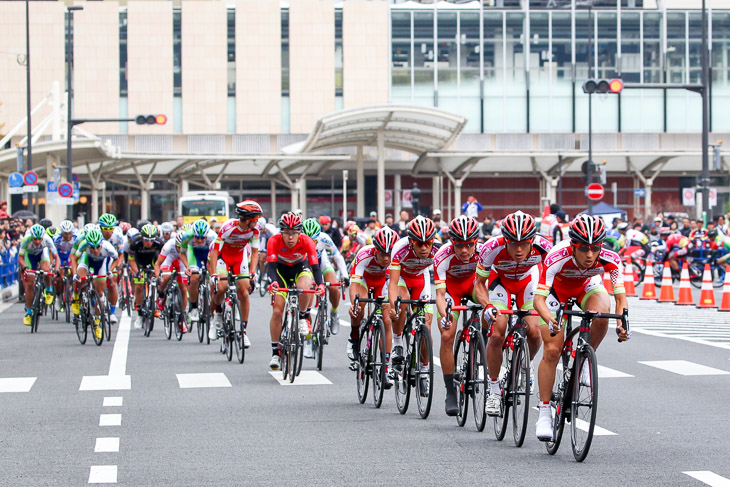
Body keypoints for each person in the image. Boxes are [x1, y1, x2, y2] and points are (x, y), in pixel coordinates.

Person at [533, 214, 630, 441]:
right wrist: (549, 318)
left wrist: (622, 323)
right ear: (573, 246)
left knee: (601, 311)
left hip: (587, 287)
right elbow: (538, 300)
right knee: (552, 351)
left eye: (594, 249)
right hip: (556, 292)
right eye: (583, 249)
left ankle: (587, 356)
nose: (589, 255)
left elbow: (620, 298)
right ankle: (545, 412)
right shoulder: (557, 256)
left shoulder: (611, 258)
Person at [474, 211, 551, 416]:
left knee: (535, 331)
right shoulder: (492, 247)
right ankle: (493, 390)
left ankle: (528, 363)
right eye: (513, 243)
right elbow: (479, 284)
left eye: (524, 243)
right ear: (505, 240)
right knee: (498, 331)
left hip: (528, 282)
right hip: (501, 283)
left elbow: (553, 277)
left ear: (532, 240)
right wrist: (488, 306)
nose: (519, 249)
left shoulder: (544, 247)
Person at [434, 216, 482, 416]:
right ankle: (450, 391)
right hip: (451, 291)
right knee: (446, 335)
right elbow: (440, 295)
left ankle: (482, 343)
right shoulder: (442, 256)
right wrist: (445, 314)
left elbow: (488, 286)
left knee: (492, 314)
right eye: (459, 245)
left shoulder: (483, 253)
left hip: (474, 287)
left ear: (476, 243)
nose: (464, 250)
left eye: (469, 245)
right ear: (451, 242)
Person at [266, 212, 324, 370]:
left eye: (294, 233)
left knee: (306, 286)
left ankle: (303, 317)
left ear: (300, 233)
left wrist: (320, 285)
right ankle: (275, 353)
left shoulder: (307, 241)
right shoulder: (274, 241)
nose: (290, 237)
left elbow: (315, 266)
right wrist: (273, 283)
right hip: (281, 271)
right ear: (281, 232)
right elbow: (271, 267)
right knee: (277, 311)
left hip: (300, 268)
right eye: (286, 233)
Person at [389, 216, 438, 394]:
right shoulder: (400, 248)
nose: (424, 247)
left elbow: (442, 283)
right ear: (411, 242)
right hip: (402, 277)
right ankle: (397, 344)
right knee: (400, 303)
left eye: (428, 243)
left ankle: (424, 372)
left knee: (426, 326)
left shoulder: (437, 251)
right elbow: (393, 284)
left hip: (421, 278)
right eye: (419, 244)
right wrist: (393, 305)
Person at [207, 200, 263, 345]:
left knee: (244, 292)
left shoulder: (255, 230)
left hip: (240, 257)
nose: (257, 222)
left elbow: (255, 252)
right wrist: (214, 275)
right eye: (256, 219)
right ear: (248, 219)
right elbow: (214, 252)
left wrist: (252, 272)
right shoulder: (228, 227)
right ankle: (217, 315)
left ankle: (243, 332)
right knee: (222, 287)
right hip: (223, 256)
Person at [348, 227, 398, 384]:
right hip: (364, 280)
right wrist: (354, 304)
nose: (386, 258)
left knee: (388, 320)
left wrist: (395, 306)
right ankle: (354, 338)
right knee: (360, 304)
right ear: (375, 250)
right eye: (382, 253)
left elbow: (395, 286)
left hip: (383, 283)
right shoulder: (364, 254)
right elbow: (355, 284)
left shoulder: (396, 258)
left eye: (389, 254)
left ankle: (385, 368)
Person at [302, 218, 350, 345]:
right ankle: (308, 337)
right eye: (308, 239)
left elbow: (338, 257)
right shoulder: (299, 238)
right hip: (306, 265)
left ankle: (334, 313)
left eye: (314, 239)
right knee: (308, 294)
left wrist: (345, 276)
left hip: (321, 262)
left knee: (334, 288)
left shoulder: (324, 238)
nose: (311, 242)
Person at [72, 228, 118, 339]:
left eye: (98, 247)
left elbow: (116, 259)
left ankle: (97, 321)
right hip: (87, 261)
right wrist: (75, 274)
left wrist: (110, 270)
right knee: (80, 279)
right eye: (92, 247)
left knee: (100, 293)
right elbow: (74, 259)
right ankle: (77, 297)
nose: (96, 250)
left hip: (101, 264)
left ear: (101, 243)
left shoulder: (107, 246)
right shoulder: (83, 245)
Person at [18, 224, 60, 326]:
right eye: (35, 239)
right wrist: (25, 267)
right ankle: (28, 313)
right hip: (30, 256)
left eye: (39, 239)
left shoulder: (47, 239)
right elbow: (20, 257)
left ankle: (49, 290)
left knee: (46, 270)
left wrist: (56, 270)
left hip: (42, 254)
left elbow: (56, 257)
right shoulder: (26, 240)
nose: (37, 241)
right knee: (29, 283)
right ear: (31, 237)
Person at [179, 219, 217, 323]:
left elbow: (215, 255)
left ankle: (212, 303)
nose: (200, 241)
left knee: (214, 278)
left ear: (207, 235)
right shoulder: (187, 236)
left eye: (202, 238)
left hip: (208, 254)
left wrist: (211, 269)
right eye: (197, 237)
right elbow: (182, 253)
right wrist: (187, 267)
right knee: (194, 277)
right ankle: (194, 307)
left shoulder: (213, 237)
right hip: (194, 253)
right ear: (193, 234)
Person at [127, 224, 164, 329]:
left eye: (151, 240)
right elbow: (131, 260)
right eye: (146, 239)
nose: (149, 242)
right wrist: (137, 272)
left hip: (153, 261)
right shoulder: (135, 243)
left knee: (158, 280)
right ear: (142, 237)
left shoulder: (159, 243)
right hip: (139, 263)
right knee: (139, 286)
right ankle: (139, 314)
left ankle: (155, 302)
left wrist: (159, 271)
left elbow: (163, 258)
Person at [99, 213, 126, 324]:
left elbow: (120, 255)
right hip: (98, 258)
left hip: (111, 259)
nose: (108, 231)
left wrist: (117, 267)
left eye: (111, 228)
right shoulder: (96, 234)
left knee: (112, 282)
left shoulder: (118, 236)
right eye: (105, 229)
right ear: (101, 228)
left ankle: (112, 313)